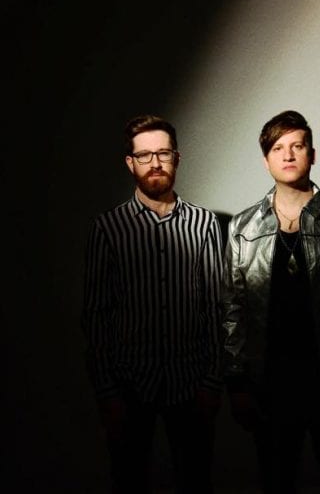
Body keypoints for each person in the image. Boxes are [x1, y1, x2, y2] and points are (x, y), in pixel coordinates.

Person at [222, 110, 320, 493]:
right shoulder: (243, 227)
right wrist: (237, 381)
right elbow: (232, 307)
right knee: (276, 480)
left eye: (298, 145)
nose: (289, 154)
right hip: (270, 383)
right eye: (278, 148)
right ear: (266, 160)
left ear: (313, 154)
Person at [82, 115, 223, 494]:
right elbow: (96, 314)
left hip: (190, 382)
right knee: (128, 481)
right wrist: (107, 391)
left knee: (196, 482)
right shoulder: (107, 229)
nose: (155, 163)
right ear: (130, 163)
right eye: (144, 155)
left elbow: (216, 305)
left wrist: (212, 381)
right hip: (129, 385)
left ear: (177, 158)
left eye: (163, 153)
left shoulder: (205, 224)